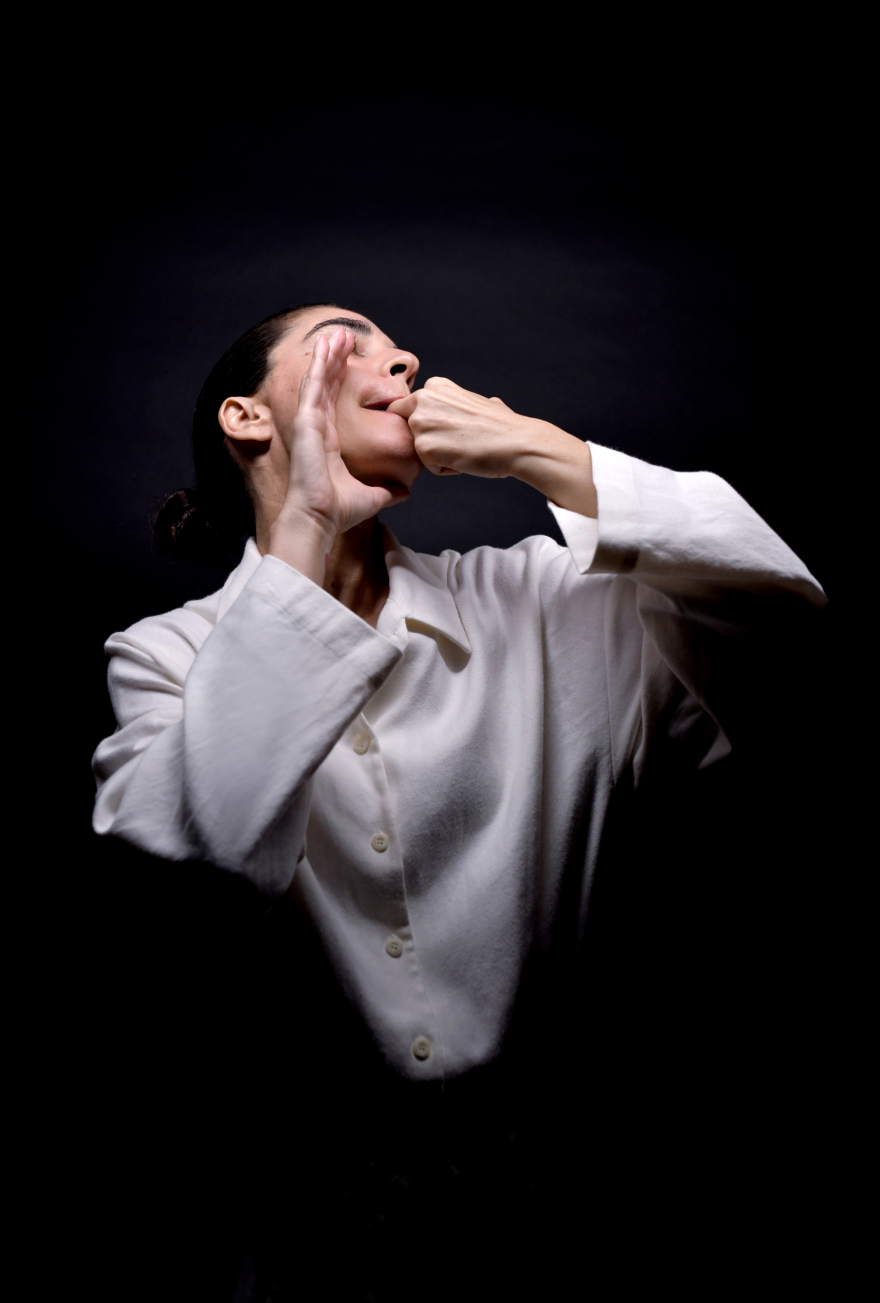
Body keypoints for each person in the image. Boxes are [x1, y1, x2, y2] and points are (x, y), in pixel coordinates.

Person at [91, 302, 826, 1298]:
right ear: (247, 417)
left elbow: (787, 626)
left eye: (399, 347)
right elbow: (192, 881)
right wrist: (305, 524)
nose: (402, 357)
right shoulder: (164, 657)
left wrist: (535, 448)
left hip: (571, 1233)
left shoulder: (545, 602)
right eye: (348, 337)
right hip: (311, 1255)